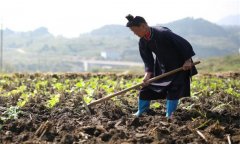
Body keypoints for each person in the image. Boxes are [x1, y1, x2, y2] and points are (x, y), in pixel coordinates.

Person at [125, 14, 198, 119]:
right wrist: (147, 75)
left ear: (143, 26)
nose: (135, 33)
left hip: (180, 65)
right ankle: (142, 110)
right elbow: (148, 60)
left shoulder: (163, 33)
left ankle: (170, 115)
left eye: (135, 31)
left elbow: (184, 44)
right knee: (147, 88)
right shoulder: (143, 41)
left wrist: (187, 60)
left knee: (174, 89)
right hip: (162, 67)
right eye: (133, 32)